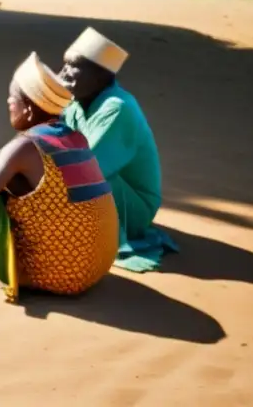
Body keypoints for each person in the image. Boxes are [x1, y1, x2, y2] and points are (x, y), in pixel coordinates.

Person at [0, 52, 119, 302]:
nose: (8, 101)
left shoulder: (24, 147)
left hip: (60, 275)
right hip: (96, 267)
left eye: (12, 97)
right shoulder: (73, 137)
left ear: (27, 109)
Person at [60, 27, 175, 271]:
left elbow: (87, 168)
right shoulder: (76, 103)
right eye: (64, 64)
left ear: (101, 76)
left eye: (74, 66)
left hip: (134, 208)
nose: (64, 73)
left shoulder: (117, 107)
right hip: (104, 188)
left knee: (82, 173)